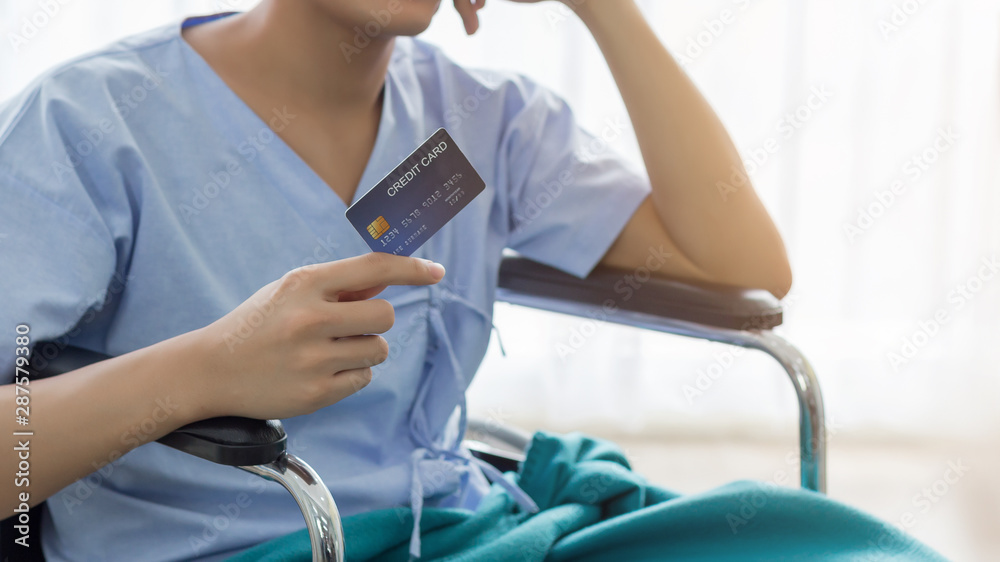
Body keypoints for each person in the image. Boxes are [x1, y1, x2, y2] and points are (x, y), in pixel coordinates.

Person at [0, 1, 941, 561]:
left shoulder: (479, 124)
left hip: (468, 530)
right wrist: (204, 371)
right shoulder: (92, 124)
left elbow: (740, 265)